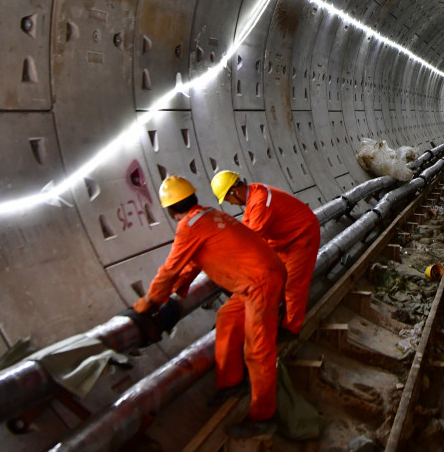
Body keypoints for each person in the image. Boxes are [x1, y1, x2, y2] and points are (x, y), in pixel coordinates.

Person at [133, 175, 285, 436]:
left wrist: (150, 302)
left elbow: (170, 268)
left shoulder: (189, 227)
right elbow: (193, 262)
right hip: (257, 280)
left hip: (261, 284)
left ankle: (262, 418)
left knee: (257, 351)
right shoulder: (208, 216)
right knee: (226, 319)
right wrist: (178, 291)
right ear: (193, 197)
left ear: (170, 209)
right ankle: (230, 383)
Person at [211, 171, 321, 341]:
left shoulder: (261, 201)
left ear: (235, 192)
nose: (230, 204)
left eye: (228, 199)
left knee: (293, 283)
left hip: (302, 236)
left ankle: (291, 328)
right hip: (283, 237)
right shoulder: (253, 196)